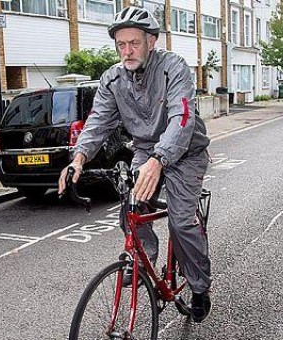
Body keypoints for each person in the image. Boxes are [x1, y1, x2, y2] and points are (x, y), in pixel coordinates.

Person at [57, 6, 212, 323]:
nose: (127, 51)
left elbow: (181, 118)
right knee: (131, 209)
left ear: (151, 41)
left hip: (186, 151)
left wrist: (160, 159)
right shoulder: (112, 80)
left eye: (134, 43)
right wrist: (78, 158)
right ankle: (145, 261)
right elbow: (97, 123)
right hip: (145, 150)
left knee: (182, 222)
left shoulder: (174, 69)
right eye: (121, 45)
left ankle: (199, 287)